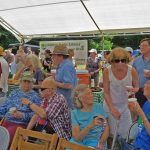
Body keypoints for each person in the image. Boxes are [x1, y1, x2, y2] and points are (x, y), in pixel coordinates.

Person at [103, 47, 139, 148]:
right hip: (110, 105)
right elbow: (106, 92)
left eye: (123, 60)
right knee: (109, 134)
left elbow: (137, 87)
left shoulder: (132, 71)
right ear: (111, 61)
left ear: (127, 60)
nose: (120, 63)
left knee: (126, 134)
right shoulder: (107, 71)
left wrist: (133, 90)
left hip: (125, 106)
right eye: (116, 61)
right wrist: (112, 109)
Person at [0, 71, 41, 143]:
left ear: (32, 83)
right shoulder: (14, 92)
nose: (26, 84)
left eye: (29, 82)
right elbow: (4, 106)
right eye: (24, 81)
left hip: (20, 124)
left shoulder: (35, 96)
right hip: (7, 120)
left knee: (5, 140)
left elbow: (37, 114)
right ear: (21, 82)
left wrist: (23, 115)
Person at [70, 84, 109, 149]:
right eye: (88, 94)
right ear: (81, 98)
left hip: (96, 141)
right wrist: (90, 125)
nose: (91, 96)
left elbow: (106, 128)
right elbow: (77, 138)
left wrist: (101, 143)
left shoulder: (98, 107)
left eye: (91, 93)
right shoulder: (74, 113)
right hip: (79, 142)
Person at [51, 44, 77, 109]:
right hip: (63, 101)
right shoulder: (63, 65)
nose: (52, 57)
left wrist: (54, 82)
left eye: (53, 55)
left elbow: (69, 85)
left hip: (67, 102)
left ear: (60, 56)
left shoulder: (66, 66)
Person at [128, 80, 150, 150]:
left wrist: (140, 113)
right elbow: (139, 123)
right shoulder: (146, 104)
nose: (144, 85)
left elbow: (143, 118)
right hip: (137, 143)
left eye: (148, 83)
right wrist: (133, 109)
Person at [133, 38, 150, 107]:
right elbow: (133, 75)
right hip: (139, 92)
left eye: (144, 45)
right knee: (140, 112)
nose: (142, 47)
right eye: (141, 46)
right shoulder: (136, 60)